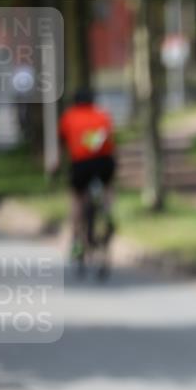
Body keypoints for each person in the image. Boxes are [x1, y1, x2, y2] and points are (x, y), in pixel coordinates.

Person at [56, 87, 116, 265]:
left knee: (77, 198)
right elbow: (111, 141)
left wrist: (55, 166)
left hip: (81, 164)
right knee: (108, 186)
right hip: (104, 161)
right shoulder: (103, 115)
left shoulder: (69, 117)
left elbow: (62, 144)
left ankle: (76, 240)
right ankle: (107, 212)